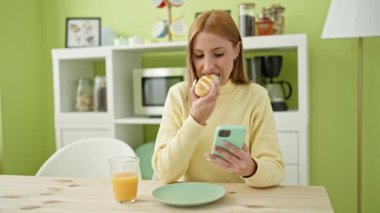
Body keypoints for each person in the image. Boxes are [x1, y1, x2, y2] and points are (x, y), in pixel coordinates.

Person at [152, 10, 284, 187]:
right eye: (198, 55)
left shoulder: (256, 96)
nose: (207, 66)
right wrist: (195, 120)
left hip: (237, 202)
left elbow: (275, 170)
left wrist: (250, 168)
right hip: (188, 201)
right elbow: (164, 173)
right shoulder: (178, 95)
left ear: (236, 50)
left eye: (218, 54)